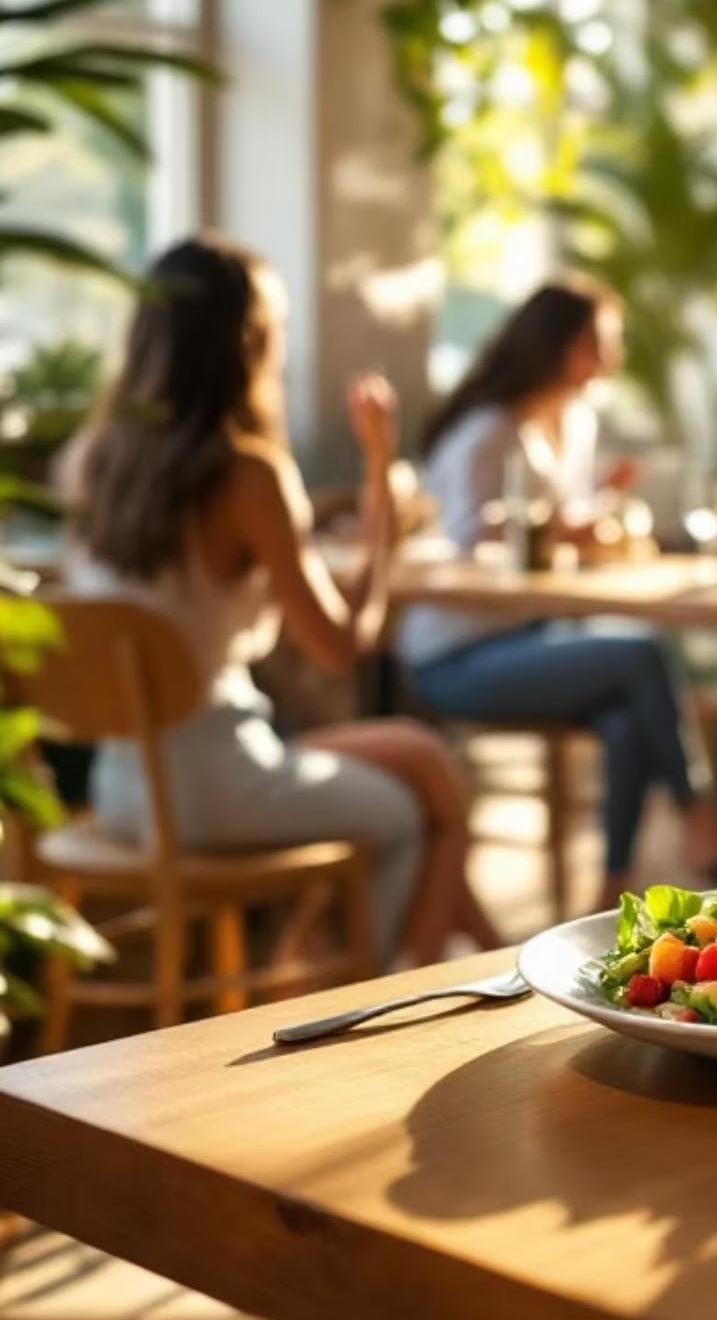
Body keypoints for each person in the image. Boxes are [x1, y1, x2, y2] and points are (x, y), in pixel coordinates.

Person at [64, 233, 498, 968]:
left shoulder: (92, 460)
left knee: (423, 758)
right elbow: (340, 645)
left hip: (123, 787)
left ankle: (471, 960)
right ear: (251, 342)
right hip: (215, 784)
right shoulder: (247, 476)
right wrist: (380, 485)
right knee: (411, 815)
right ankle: (380, 994)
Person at [398, 278, 717, 903]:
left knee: (629, 716)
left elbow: (552, 530)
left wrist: (595, 506)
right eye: (599, 343)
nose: (612, 359)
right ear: (557, 345)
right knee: (641, 653)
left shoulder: (567, 423)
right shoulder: (487, 430)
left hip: (528, 635)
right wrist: (559, 524)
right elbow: (471, 541)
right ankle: (699, 816)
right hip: (456, 652)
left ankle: (611, 893)